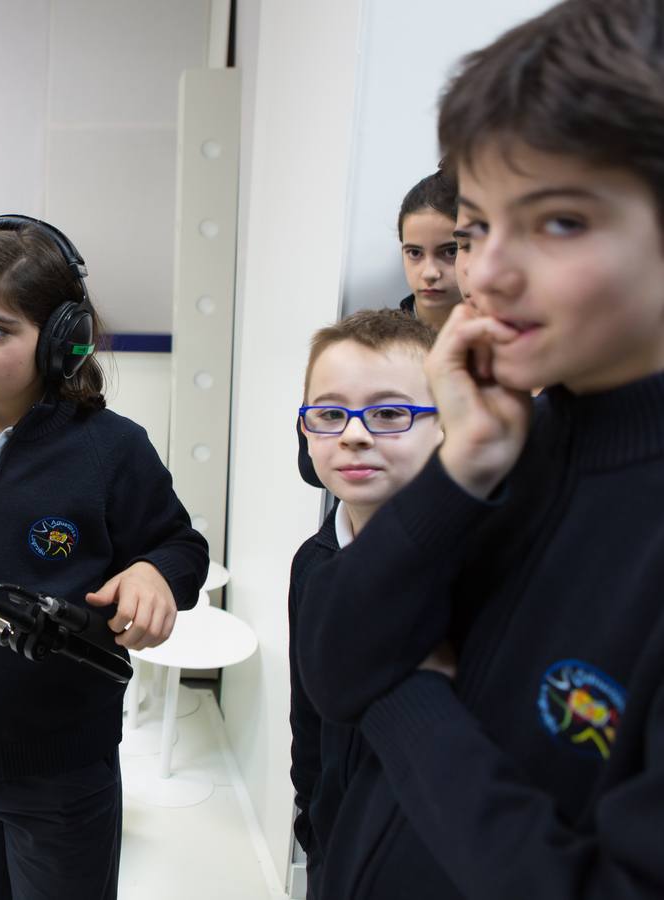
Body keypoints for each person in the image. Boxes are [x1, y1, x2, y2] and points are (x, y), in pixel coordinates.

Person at [296, 1, 664, 897]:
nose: (485, 273)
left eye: (561, 222)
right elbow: (338, 658)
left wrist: (413, 697)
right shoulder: (521, 441)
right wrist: (463, 469)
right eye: (477, 229)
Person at [0, 216, 209, 899]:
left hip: (61, 772)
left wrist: (156, 573)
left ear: (62, 340)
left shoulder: (111, 449)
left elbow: (180, 545)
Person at [288, 309, 440, 893]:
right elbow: (309, 714)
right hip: (338, 848)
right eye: (329, 414)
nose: (354, 433)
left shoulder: (483, 568)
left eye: (389, 413)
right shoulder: (315, 562)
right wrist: (313, 820)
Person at [397, 168, 462, 330]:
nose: (430, 273)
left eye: (450, 252)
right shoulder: (375, 345)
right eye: (415, 253)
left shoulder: (509, 344)